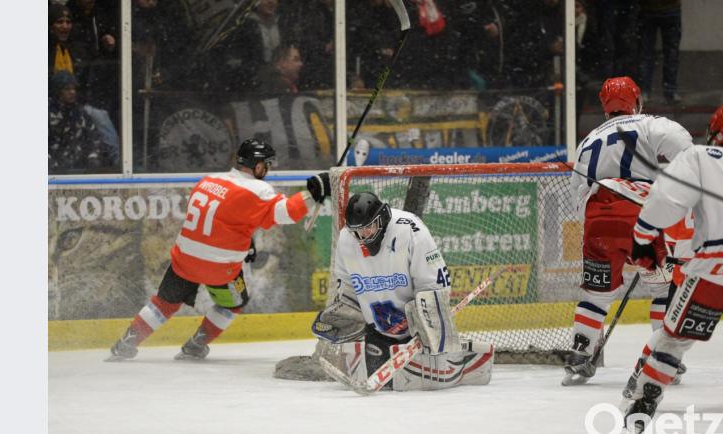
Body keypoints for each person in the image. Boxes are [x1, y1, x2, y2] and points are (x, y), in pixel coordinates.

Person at [107, 139, 331, 361]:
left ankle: (125, 344)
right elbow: (286, 213)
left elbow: (225, 220)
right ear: (259, 165)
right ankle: (196, 345)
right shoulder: (257, 188)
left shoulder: (208, 180)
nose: (268, 170)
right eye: (267, 165)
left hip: (183, 260)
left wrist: (246, 244)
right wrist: (313, 193)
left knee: (164, 304)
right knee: (232, 303)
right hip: (220, 269)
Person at [562, 76, 694, 385]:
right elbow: (684, 147)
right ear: (635, 101)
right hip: (640, 212)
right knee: (663, 286)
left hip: (597, 217)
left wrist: (606, 234)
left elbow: (576, 196)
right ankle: (663, 357)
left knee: (596, 293)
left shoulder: (587, 140)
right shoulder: (647, 123)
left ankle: (580, 354)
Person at [311, 192, 494, 391]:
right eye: (357, 231)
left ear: (381, 219)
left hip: (416, 331)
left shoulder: (410, 230)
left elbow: (434, 282)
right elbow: (346, 282)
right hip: (379, 329)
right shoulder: (348, 238)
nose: (362, 237)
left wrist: (426, 322)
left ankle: (462, 357)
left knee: (422, 388)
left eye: (367, 228)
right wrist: (347, 307)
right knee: (388, 386)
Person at [622, 104, 723, 434]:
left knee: (674, 337)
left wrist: (642, 235)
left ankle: (646, 395)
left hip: (717, 262)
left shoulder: (702, 156)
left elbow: (666, 198)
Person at [48, 71, 114, 173]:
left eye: (74, 89)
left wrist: (93, 156)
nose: (72, 92)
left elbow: (94, 138)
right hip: (52, 172)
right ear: (58, 91)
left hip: (77, 169)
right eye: (67, 89)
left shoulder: (80, 112)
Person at [637, 0, 683, 103]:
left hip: (651, 9)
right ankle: (669, 91)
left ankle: (647, 91)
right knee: (670, 53)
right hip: (666, 9)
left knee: (647, 54)